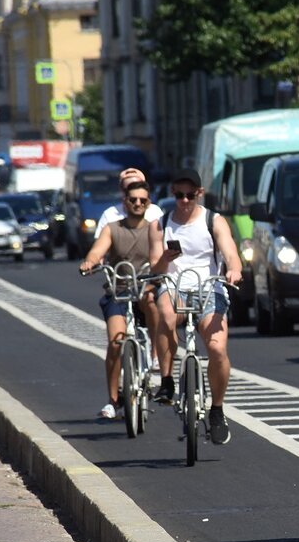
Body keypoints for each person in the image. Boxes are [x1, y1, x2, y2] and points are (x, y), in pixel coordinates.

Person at [150, 169, 243, 444]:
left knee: (217, 349)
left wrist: (234, 270)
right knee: (165, 314)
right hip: (174, 286)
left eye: (190, 195)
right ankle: (167, 380)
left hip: (210, 287)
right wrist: (165, 258)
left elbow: (230, 253)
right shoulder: (160, 224)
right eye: (179, 195)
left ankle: (217, 409)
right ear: (172, 194)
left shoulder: (214, 220)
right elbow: (155, 268)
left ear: (199, 193)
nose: (184, 201)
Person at [79, 180, 162, 419]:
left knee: (150, 301)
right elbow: (98, 251)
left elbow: (162, 256)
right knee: (116, 342)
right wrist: (90, 262)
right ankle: (112, 400)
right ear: (125, 202)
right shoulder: (112, 228)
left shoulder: (156, 228)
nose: (137, 204)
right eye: (133, 200)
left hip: (145, 288)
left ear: (149, 203)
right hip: (119, 292)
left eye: (142, 200)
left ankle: (155, 354)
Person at [96, 167, 163, 237]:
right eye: (127, 190)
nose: (137, 203)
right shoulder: (109, 215)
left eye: (136, 187)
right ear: (121, 191)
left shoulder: (155, 212)